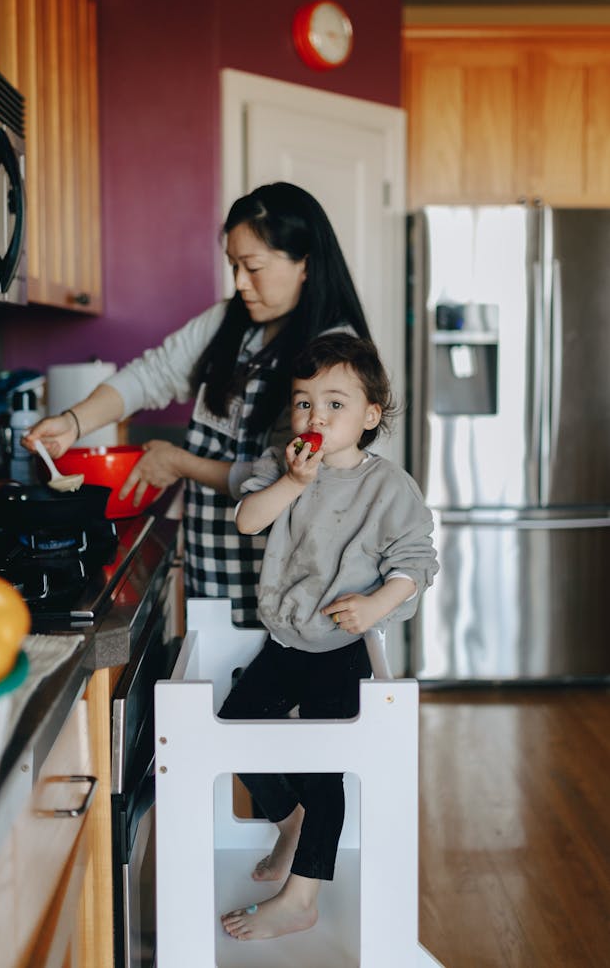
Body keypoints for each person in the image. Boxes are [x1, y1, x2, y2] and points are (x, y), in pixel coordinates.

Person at [22, 182, 373, 626]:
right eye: (234, 266)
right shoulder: (230, 321)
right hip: (215, 566)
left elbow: (293, 474)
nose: (240, 283)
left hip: (288, 582)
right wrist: (74, 423)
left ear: (305, 263)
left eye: (253, 267)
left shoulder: (335, 355)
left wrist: (178, 463)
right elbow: (152, 375)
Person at [218, 332, 438, 942]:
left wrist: (375, 605)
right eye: (304, 401)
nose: (316, 416)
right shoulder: (282, 462)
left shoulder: (389, 487)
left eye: (335, 404)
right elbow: (248, 518)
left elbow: (417, 563)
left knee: (326, 768)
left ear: (370, 416)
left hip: (343, 648)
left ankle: (303, 897)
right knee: (236, 724)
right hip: (287, 637)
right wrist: (291, 480)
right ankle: (290, 823)